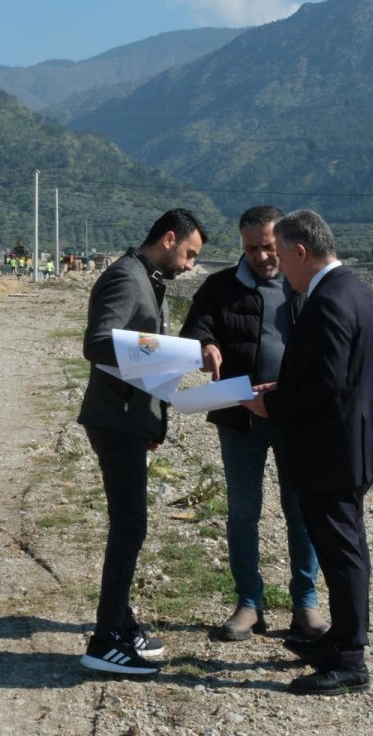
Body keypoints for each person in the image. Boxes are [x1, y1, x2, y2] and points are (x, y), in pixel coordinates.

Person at [241, 210, 373, 696]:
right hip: (353, 444)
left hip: (332, 451)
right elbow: (337, 373)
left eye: (281, 256)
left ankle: (349, 659)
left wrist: (271, 403)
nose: (279, 267)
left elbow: (327, 383)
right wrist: (283, 386)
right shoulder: (358, 291)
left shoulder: (326, 301)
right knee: (341, 547)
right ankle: (340, 643)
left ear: (301, 252)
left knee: (343, 553)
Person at [180, 206, 326, 643]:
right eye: (251, 248)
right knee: (243, 512)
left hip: (294, 416)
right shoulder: (220, 286)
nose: (262, 256)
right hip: (238, 416)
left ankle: (306, 603)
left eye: (268, 247)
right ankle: (248, 603)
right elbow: (198, 324)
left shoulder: (307, 286)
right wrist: (205, 343)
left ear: (283, 242)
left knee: (301, 512)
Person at [77, 208, 207, 677]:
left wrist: (154, 419)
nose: (191, 265)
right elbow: (96, 343)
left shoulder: (146, 277)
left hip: (131, 419)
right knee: (129, 526)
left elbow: (136, 351)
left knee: (132, 524)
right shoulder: (127, 278)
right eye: (190, 254)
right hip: (115, 420)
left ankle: (122, 621)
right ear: (169, 239)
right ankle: (105, 639)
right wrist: (184, 353)